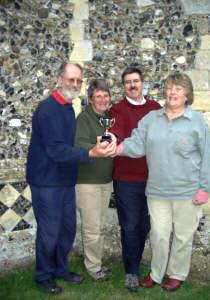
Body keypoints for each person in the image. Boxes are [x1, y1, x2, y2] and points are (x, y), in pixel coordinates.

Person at [114, 72, 210, 292]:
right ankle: (156, 273)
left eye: (178, 89)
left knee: (182, 236)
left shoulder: (197, 121)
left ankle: (177, 274)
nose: (172, 92)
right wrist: (116, 149)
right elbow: (137, 143)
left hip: (188, 192)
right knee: (158, 235)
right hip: (157, 191)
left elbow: (208, 157)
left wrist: (204, 190)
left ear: (187, 94)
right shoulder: (152, 118)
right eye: (169, 88)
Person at [26, 63, 116, 295]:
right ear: (59, 80)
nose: (74, 84)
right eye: (71, 79)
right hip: (46, 182)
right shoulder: (47, 110)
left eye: (78, 81)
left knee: (67, 229)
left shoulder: (67, 108)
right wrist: (90, 153)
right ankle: (44, 275)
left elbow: (69, 146)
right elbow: (56, 150)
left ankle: (60, 269)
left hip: (66, 180)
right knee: (50, 231)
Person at [109, 66, 161, 292]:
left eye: (136, 81)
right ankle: (131, 271)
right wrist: (112, 138)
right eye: (128, 82)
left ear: (142, 83)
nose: (132, 85)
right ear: (124, 86)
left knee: (145, 225)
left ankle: (135, 261)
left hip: (153, 178)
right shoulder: (117, 109)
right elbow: (116, 130)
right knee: (129, 225)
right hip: (126, 179)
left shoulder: (155, 108)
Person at [75, 79, 113, 282]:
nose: (102, 99)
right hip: (88, 182)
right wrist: (98, 148)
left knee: (99, 226)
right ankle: (93, 268)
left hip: (106, 181)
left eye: (105, 95)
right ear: (90, 99)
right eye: (98, 96)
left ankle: (96, 262)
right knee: (91, 228)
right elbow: (79, 144)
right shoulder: (84, 119)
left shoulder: (106, 118)